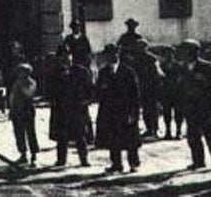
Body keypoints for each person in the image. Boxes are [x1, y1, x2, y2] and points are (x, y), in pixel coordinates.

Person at [177, 39, 211, 170]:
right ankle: (198, 161)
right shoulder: (182, 68)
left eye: (187, 51)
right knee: (193, 136)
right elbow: (179, 87)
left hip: (207, 105)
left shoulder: (207, 66)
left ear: (195, 53)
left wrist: (205, 82)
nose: (184, 54)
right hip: (191, 106)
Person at [96, 43, 142, 173]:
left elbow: (135, 94)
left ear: (119, 55)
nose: (113, 56)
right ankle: (116, 164)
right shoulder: (103, 72)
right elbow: (98, 92)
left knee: (130, 139)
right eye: (109, 54)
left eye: (115, 54)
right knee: (113, 139)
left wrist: (134, 112)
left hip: (126, 110)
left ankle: (133, 164)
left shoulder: (128, 72)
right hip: (110, 111)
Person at [48, 46, 91, 167]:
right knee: (62, 136)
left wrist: (86, 101)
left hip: (77, 108)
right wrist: (53, 101)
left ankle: (84, 159)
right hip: (61, 109)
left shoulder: (81, 71)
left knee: (80, 136)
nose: (66, 58)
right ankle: (61, 160)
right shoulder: (54, 73)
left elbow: (89, 89)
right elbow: (49, 90)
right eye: (62, 56)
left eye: (68, 55)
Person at [130, 39, 163, 138]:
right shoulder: (136, 59)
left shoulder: (152, 59)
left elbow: (158, 73)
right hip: (141, 86)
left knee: (153, 109)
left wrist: (157, 86)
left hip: (151, 86)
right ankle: (149, 128)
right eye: (138, 47)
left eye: (142, 47)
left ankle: (155, 128)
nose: (140, 49)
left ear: (146, 47)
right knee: (145, 109)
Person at [8, 62, 39, 166]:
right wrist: (11, 109)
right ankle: (23, 154)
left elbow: (29, 94)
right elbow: (12, 97)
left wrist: (21, 86)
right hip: (17, 111)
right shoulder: (16, 83)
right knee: (19, 133)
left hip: (27, 110)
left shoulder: (32, 83)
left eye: (22, 72)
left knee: (30, 133)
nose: (20, 74)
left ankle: (34, 154)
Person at [158, 45, 184, 140]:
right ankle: (168, 131)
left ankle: (178, 131)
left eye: (170, 53)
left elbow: (182, 79)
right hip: (166, 93)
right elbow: (159, 79)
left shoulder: (179, 65)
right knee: (167, 114)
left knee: (178, 113)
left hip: (177, 93)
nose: (169, 55)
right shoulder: (161, 66)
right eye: (166, 53)